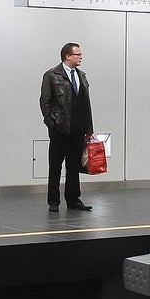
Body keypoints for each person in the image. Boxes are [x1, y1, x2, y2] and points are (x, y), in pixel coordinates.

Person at [40, 42, 94, 212]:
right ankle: (53, 202)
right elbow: (45, 101)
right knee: (55, 166)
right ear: (67, 56)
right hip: (60, 129)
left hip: (78, 130)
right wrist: (51, 123)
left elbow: (86, 104)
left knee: (74, 167)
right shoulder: (52, 75)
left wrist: (89, 129)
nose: (81, 57)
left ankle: (73, 200)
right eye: (77, 54)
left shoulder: (81, 75)